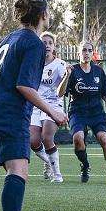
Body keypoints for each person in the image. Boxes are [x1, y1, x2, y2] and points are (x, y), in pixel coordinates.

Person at [0, 0, 68, 211]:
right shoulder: (34, 43)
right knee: (19, 170)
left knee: (13, 169)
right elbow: (24, 86)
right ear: (43, 15)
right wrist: (54, 112)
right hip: (8, 111)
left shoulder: (8, 38)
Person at [58, 40, 106, 185]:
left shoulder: (98, 71)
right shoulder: (72, 70)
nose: (86, 53)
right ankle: (85, 165)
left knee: (103, 138)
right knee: (78, 139)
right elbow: (60, 93)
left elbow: (105, 93)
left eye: (89, 50)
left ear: (93, 53)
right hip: (77, 112)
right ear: (79, 53)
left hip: (96, 112)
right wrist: (67, 76)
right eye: (84, 50)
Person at [29, 31, 66, 182]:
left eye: (50, 43)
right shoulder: (32, 64)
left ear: (54, 46)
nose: (47, 46)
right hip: (36, 105)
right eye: (44, 43)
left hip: (53, 104)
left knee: (46, 137)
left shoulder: (60, 65)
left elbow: (61, 93)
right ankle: (49, 163)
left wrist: (67, 77)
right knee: (33, 141)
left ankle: (57, 175)